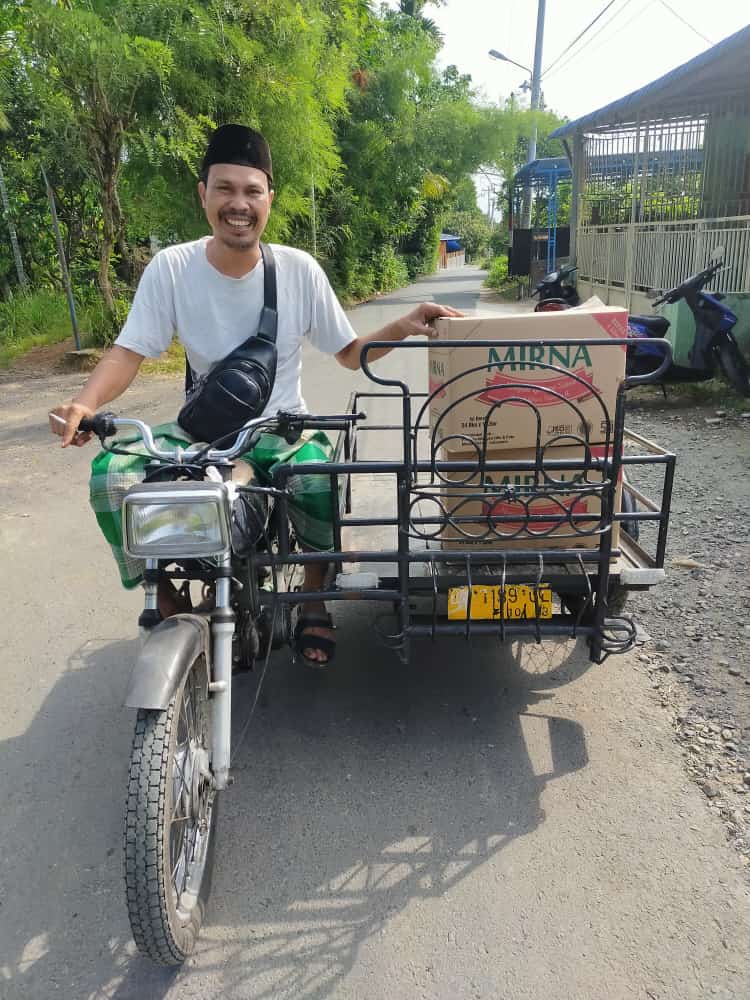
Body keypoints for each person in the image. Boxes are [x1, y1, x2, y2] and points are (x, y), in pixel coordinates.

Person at [50, 123, 460, 665]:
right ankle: (166, 598)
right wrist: (86, 404)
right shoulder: (172, 268)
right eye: (225, 189)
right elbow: (129, 352)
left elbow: (348, 352)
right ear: (203, 194)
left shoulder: (298, 270)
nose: (238, 204)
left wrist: (403, 325)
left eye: (251, 191)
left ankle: (313, 599)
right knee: (113, 476)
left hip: (282, 428)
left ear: (269, 199)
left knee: (317, 478)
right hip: (202, 432)